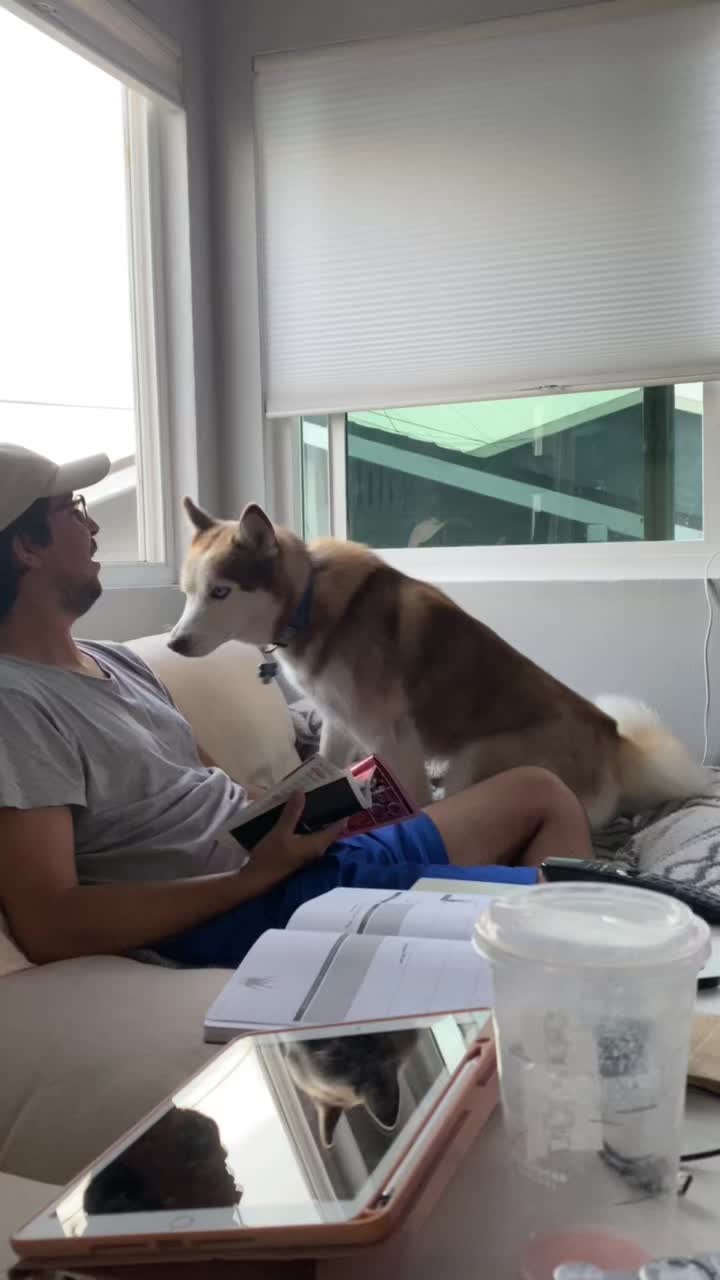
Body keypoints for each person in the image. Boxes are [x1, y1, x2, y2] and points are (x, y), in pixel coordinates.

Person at [0, 444, 593, 970]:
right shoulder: (14, 703)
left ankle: (545, 984)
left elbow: (209, 780)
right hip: (244, 901)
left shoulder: (114, 659)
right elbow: (50, 924)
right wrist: (253, 877)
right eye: (72, 510)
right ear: (27, 546)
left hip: (282, 857)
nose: (93, 525)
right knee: (583, 911)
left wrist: (299, 811)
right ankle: (553, 998)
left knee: (540, 792)